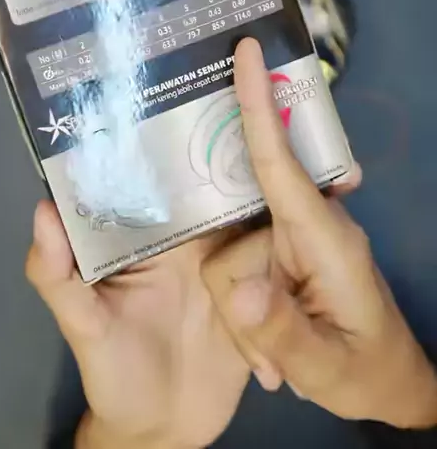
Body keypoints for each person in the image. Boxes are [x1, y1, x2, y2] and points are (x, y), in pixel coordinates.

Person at [27, 38, 437, 448]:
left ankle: (267, 58)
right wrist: (414, 396)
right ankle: (276, 58)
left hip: (154, 306)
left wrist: (139, 437)